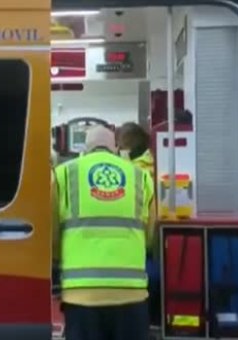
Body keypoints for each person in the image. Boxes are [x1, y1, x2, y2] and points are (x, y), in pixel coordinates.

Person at [51, 125, 156, 340]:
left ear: (84, 149)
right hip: (131, 293)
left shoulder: (63, 174)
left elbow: (51, 233)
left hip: (81, 296)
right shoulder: (141, 176)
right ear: (116, 148)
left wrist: (59, 260)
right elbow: (150, 234)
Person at [117, 122, 160, 326]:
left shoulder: (132, 171)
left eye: (120, 145)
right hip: (154, 237)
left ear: (129, 147)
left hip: (139, 239)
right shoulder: (154, 163)